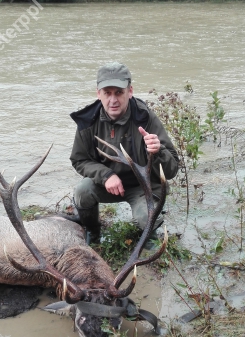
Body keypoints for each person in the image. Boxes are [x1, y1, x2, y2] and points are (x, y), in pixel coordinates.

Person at [70, 62, 179, 244]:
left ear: (130, 91)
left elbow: (172, 170)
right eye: (107, 93)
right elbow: (79, 159)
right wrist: (105, 175)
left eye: (119, 93)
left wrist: (158, 151)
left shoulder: (146, 118)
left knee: (145, 218)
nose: (113, 100)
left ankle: (149, 236)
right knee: (82, 191)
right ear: (99, 94)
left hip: (144, 186)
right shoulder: (88, 121)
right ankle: (93, 232)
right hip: (109, 185)